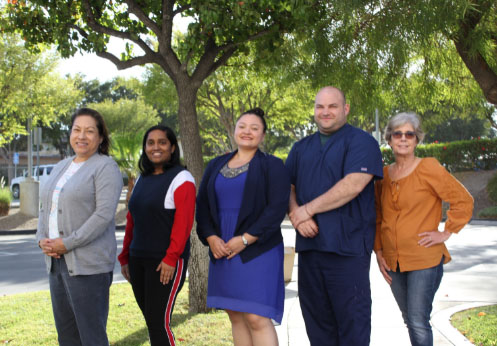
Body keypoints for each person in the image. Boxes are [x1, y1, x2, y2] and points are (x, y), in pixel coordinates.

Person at [286, 86, 383, 346]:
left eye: (332, 106)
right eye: (320, 107)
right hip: (310, 249)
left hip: (347, 249)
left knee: (352, 324)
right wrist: (296, 213)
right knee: (317, 324)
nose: (325, 112)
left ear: (346, 109)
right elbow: (287, 186)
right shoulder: (300, 148)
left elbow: (353, 184)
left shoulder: (362, 142)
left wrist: (308, 210)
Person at [374, 112, 474, 346]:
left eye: (410, 134)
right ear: (389, 139)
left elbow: (463, 200)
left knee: (418, 320)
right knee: (409, 318)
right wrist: (378, 252)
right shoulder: (384, 176)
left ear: (417, 139)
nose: (403, 138)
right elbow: (378, 216)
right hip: (392, 260)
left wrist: (446, 231)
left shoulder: (429, 167)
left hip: (424, 258)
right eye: (397, 134)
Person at [196, 108, 290, 346]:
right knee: (236, 315)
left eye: (254, 128)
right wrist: (211, 238)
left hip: (258, 249)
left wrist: (246, 239)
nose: (247, 131)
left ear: (263, 135)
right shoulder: (215, 165)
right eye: (242, 126)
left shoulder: (272, 166)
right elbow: (203, 205)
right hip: (223, 249)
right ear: (234, 130)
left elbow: (276, 209)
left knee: (256, 316)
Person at [37, 108, 123, 346]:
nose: (81, 136)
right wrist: (41, 238)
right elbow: (45, 207)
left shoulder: (105, 167)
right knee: (67, 336)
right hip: (56, 263)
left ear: (101, 137)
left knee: (91, 337)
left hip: (88, 267)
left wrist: (67, 243)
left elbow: (103, 216)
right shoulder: (62, 165)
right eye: (77, 130)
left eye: (89, 131)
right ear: (70, 134)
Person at [118, 125, 196, 346]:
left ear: (172, 147)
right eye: (150, 143)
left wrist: (171, 258)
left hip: (165, 263)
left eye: (162, 142)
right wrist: (125, 256)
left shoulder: (182, 178)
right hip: (137, 260)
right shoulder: (142, 178)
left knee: (158, 323)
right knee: (151, 321)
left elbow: (184, 225)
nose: (156, 147)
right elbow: (132, 219)